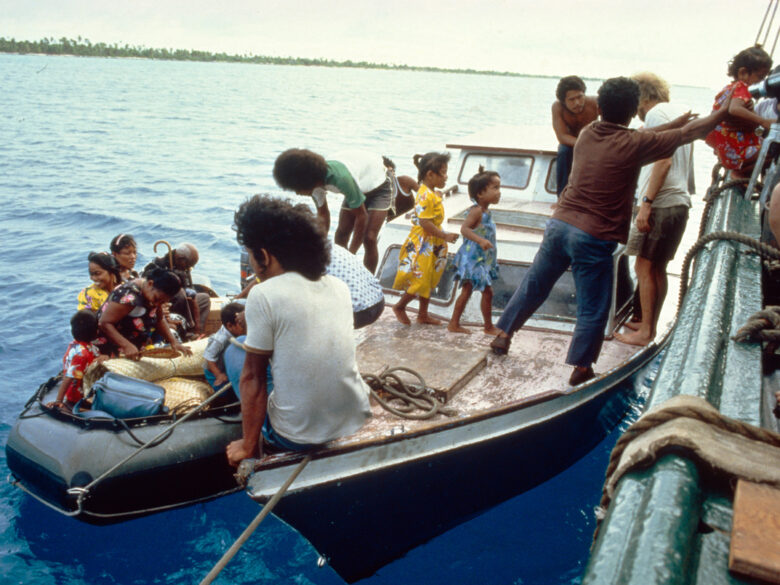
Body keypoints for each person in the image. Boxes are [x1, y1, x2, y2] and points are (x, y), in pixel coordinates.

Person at [490, 76, 733, 386]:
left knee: (535, 285)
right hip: (592, 236)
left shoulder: (589, 132)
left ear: (599, 107)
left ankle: (503, 334)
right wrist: (724, 111)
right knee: (593, 306)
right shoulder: (634, 143)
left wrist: (676, 124)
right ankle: (581, 368)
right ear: (633, 112)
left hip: (560, 225)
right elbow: (690, 134)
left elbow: (646, 136)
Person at [225, 195, 371, 464]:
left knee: (234, 353)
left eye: (249, 252)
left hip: (295, 436)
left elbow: (252, 379)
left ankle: (255, 439)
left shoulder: (264, 294)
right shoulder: (338, 286)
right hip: (353, 418)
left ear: (264, 255)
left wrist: (247, 446)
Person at [615, 73, 695, 347]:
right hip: (677, 202)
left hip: (661, 202)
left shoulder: (657, 115)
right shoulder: (677, 112)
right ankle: (646, 322)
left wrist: (646, 204)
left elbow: (663, 162)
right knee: (657, 268)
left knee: (644, 267)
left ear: (641, 97)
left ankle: (646, 331)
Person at [272, 148, 396, 273]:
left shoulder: (342, 179)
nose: (297, 193)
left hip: (379, 185)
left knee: (369, 238)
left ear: (307, 182)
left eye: (297, 189)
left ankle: (368, 278)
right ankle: (341, 271)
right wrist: (320, 248)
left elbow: (361, 217)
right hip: (357, 184)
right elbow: (323, 215)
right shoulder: (314, 186)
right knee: (341, 234)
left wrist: (350, 255)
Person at [236, 240, 385, 329]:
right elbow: (263, 277)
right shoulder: (315, 243)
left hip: (357, 312)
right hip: (377, 301)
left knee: (286, 316)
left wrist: (249, 313)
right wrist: (240, 296)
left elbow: (277, 295)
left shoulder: (295, 259)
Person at [392, 152, 459, 326]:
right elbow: (424, 222)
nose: (446, 177)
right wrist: (445, 235)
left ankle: (422, 314)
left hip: (432, 242)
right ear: (430, 175)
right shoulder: (425, 195)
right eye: (443, 173)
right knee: (420, 279)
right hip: (424, 242)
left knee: (429, 278)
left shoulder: (430, 192)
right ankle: (400, 306)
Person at [448, 167, 502, 335]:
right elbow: (464, 229)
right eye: (495, 188)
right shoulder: (476, 211)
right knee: (484, 291)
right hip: (473, 259)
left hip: (481, 258)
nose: (499, 192)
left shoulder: (486, 211)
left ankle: (459, 323)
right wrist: (480, 240)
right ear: (480, 194)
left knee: (471, 290)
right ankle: (485, 326)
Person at [706, 45, 774, 178]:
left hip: (725, 149)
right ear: (743, 73)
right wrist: (763, 121)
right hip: (736, 151)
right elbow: (734, 109)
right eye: (760, 77)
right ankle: (740, 174)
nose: (761, 82)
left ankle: (740, 175)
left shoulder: (728, 89)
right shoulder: (742, 87)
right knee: (774, 151)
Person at [96, 267, 192, 358]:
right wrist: (126, 346)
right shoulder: (129, 297)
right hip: (110, 344)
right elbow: (104, 323)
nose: (157, 304)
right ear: (150, 284)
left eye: (162, 302)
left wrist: (174, 342)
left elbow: (159, 320)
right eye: (156, 299)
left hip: (135, 343)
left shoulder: (153, 294)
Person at [142, 242, 210, 335]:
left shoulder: (182, 267)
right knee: (180, 293)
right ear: (181, 259)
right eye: (188, 265)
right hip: (163, 301)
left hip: (182, 301)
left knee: (204, 298)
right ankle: (187, 330)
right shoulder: (158, 264)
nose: (188, 268)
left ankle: (198, 332)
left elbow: (190, 289)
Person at [47, 310, 107, 411]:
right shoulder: (81, 355)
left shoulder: (80, 345)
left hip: (84, 379)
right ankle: (79, 407)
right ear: (95, 332)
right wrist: (58, 401)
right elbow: (69, 377)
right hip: (78, 393)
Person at [551, 75, 599, 197]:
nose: (577, 103)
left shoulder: (595, 103)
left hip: (593, 143)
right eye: (571, 100)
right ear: (563, 101)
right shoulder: (558, 107)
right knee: (563, 151)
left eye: (580, 97)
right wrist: (584, 144)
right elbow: (562, 137)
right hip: (571, 143)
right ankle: (562, 198)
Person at [203, 302, 246, 389]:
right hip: (214, 370)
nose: (247, 328)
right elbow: (209, 358)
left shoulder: (237, 333)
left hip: (226, 364)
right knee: (223, 391)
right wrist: (218, 375)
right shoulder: (220, 339)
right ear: (230, 326)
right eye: (243, 325)